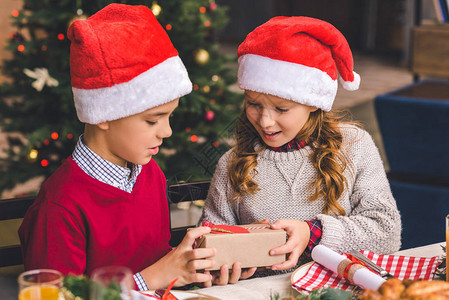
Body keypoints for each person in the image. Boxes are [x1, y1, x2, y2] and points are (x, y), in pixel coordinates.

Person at [19, 3, 217, 291]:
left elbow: (160, 265)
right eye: (152, 120)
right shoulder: (60, 206)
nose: (168, 131)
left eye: (169, 116)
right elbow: (56, 296)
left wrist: (191, 269)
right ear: (104, 116)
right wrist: (150, 279)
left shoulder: (152, 176)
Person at [199, 16, 402, 279]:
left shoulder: (355, 146)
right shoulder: (232, 162)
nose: (264, 121)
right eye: (253, 104)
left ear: (313, 102)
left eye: (281, 108)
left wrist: (313, 233)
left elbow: (387, 232)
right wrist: (222, 264)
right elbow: (210, 241)